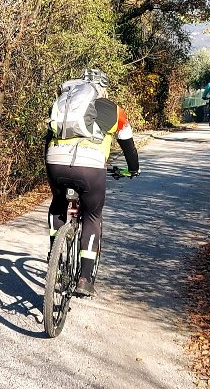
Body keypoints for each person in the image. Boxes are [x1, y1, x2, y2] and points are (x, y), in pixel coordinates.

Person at [44, 68, 139, 297]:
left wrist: (51, 166)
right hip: (90, 168)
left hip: (55, 161)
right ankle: (85, 279)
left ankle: (54, 258)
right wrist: (133, 169)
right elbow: (128, 145)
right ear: (103, 89)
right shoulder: (114, 110)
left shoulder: (64, 105)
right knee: (92, 216)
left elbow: (48, 138)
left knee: (57, 204)